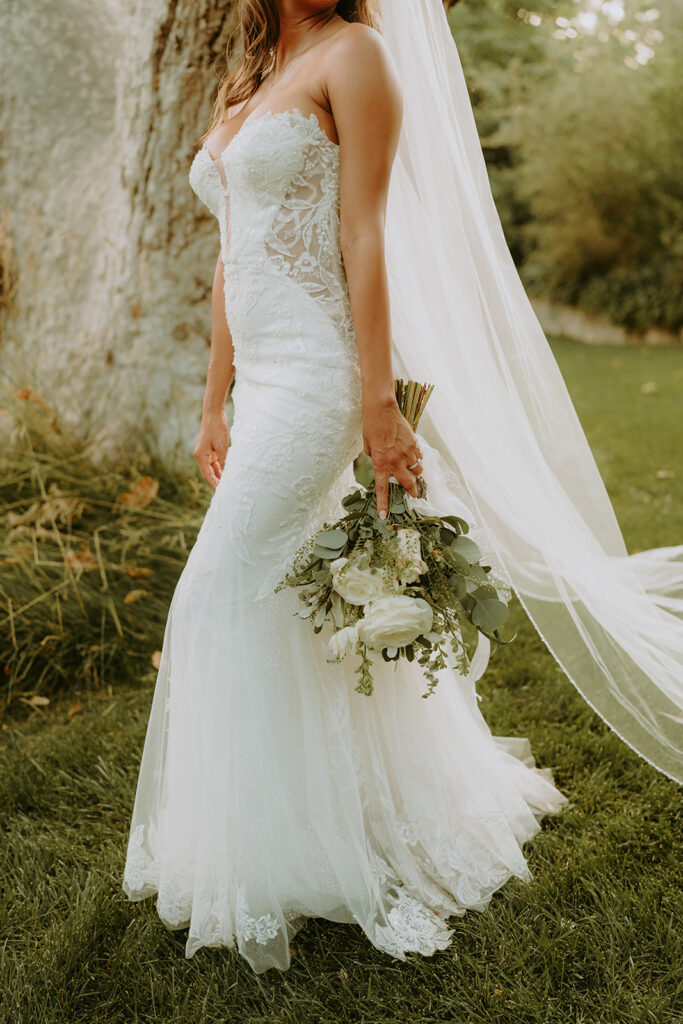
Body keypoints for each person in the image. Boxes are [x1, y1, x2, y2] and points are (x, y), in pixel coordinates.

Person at [122, 0, 683, 975]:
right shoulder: (244, 75)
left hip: (319, 375)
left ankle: (287, 857)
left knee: (219, 592)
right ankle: (328, 815)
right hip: (258, 384)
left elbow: (363, 231)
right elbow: (229, 255)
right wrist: (213, 402)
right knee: (283, 600)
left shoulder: (357, 56)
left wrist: (376, 404)